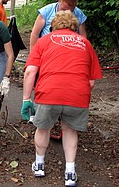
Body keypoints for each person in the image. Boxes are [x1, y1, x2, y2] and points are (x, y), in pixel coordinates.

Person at [21, 10, 102, 186]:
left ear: (53, 26)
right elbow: (91, 82)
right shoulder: (85, 44)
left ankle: (39, 165)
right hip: (77, 94)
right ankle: (70, 173)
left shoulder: (43, 41)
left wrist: (26, 99)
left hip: (49, 93)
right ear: (74, 26)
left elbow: (30, 71)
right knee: (70, 130)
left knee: (43, 129)